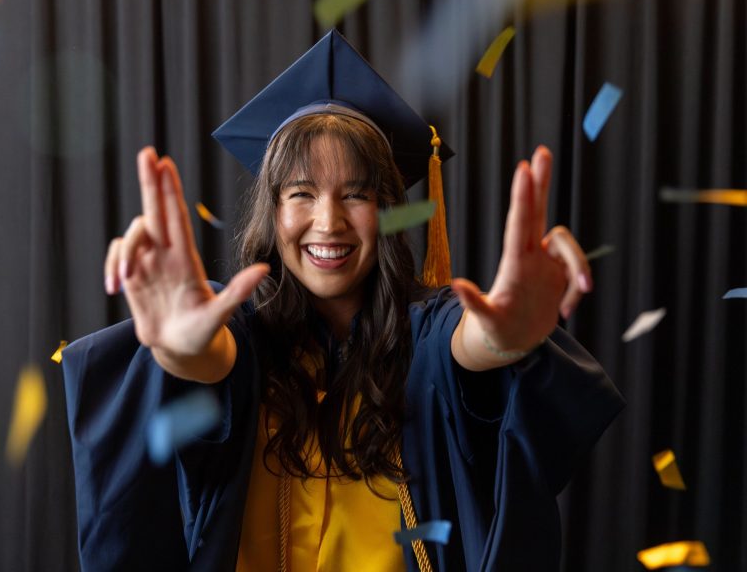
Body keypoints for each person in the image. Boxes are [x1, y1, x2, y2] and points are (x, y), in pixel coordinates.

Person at [62, 30, 624, 572]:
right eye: (302, 193)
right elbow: (213, 357)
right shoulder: (240, 333)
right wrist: (180, 354)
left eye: (355, 193)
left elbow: (462, 345)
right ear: (273, 210)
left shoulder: (427, 330)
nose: (327, 222)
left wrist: (503, 339)